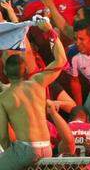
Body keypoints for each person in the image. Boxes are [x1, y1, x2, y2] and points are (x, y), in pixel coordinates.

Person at [0, 17, 67, 169]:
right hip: (47, 148)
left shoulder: (3, 98)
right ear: (25, 70)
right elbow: (61, 60)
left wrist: (13, 154)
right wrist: (50, 31)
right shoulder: (38, 83)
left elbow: (3, 137)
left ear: (4, 71)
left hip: (26, 150)